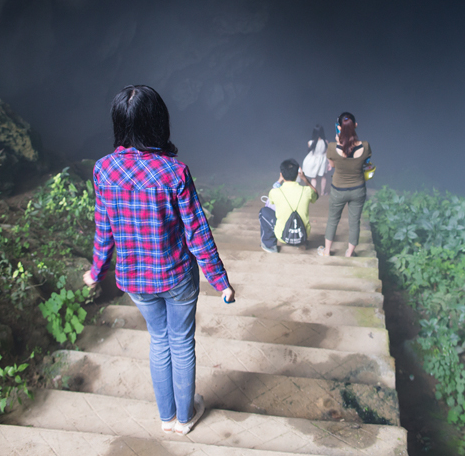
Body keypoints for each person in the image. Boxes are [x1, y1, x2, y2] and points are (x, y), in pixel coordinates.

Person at [82, 85, 234, 436]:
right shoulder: (174, 172)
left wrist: (96, 271)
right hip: (176, 277)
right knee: (180, 342)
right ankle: (185, 417)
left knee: (158, 341)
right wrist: (220, 281)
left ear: (119, 123)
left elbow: (104, 229)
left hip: (135, 281)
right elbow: (197, 232)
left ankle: (166, 418)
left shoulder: (103, 170)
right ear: (158, 122)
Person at [319, 112, 371, 258]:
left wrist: (339, 142)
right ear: (356, 125)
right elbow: (366, 162)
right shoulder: (366, 146)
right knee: (354, 222)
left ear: (339, 128)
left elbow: (333, 165)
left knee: (333, 219)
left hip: (338, 190)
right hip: (358, 190)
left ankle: (327, 251)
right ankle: (350, 253)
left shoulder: (332, 147)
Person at [258, 158, 318, 253]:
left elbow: (270, 203)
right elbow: (316, 195)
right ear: (298, 174)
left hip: (283, 236)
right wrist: (305, 179)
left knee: (264, 212)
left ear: (281, 174)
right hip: (302, 235)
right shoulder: (307, 191)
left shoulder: (275, 192)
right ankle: (302, 243)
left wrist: (279, 180)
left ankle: (270, 245)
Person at [301, 124, 329, 196]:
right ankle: (322, 192)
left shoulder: (310, 142)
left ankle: (313, 192)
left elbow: (311, 153)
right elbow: (326, 152)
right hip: (323, 160)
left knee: (314, 178)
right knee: (323, 177)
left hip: (314, 161)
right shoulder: (325, 142)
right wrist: (328, 162)